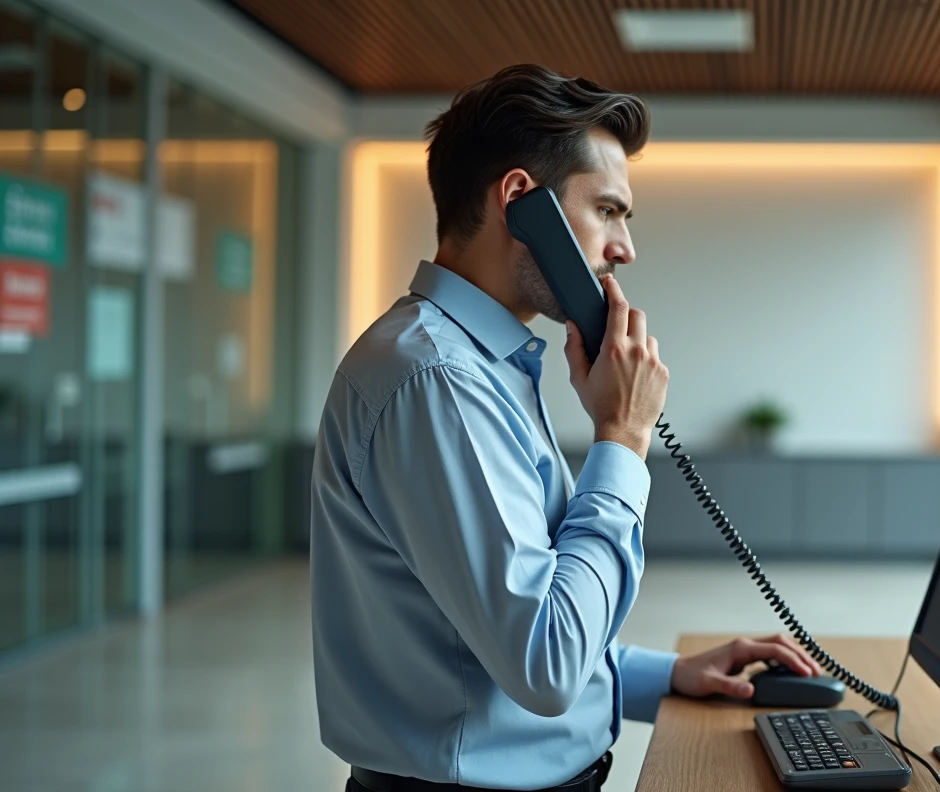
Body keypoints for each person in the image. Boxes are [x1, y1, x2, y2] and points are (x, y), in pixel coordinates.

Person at [310, 64, 821, 792]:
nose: (624, 248)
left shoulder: (475, 365)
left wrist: (667, 675)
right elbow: (544, 664)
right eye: (608, 210)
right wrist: (623, 438)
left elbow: (496, 628)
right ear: (521, 202)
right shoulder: (439, 381)